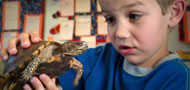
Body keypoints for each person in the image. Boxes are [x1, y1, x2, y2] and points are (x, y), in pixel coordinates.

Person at [0, 0, 190, 89]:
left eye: (134, 15)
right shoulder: (93, 59)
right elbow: (49, 82)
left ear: (173, 13)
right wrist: (19, 56)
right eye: (110, 18)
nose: (120, 33)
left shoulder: (178, 78)